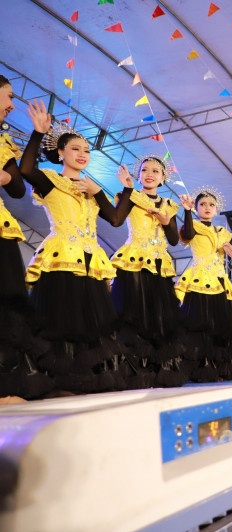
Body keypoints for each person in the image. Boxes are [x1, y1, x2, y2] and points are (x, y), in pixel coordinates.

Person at [21, 101, 133, 393]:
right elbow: (26, 168)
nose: (83, 154)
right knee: (61, 320)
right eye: (75, 149)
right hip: (61, 258)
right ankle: (58, 382)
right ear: (60, 152)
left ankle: (85, 380)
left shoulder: (91, 188)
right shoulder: (50, 180)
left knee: (90, 323)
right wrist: (37, 133)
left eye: (87, 150)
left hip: (91, 261)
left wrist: (118, 191)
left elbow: (116, 219)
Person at [110, 158, 186, 388]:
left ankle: (156, 369)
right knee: (133, 313)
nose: (149, 174)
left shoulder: (169, 204)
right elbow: (116, 220)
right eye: (144, 170)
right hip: (134, 260)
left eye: (155, 171)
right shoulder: (130, 195)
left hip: (160, 264)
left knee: (159, 316)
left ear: (163, 178)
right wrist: (127, 189)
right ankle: (132, 370)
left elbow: (173, 240)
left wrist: (166, 221)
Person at [0, 80, 51, 399]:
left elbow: (18, 188)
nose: (11, 105)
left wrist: (4, 175)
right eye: (8, 96)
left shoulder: (2, 142)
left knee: (7, 304)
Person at [176, 190, 232, 382]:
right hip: (199, 279)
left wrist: (228, 247)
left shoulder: (222, 232)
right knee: (199, 325)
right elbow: (187, 234)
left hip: (218, 280)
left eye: (211, 205)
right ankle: (201, 367)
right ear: (196, 208)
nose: (207, 207)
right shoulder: (193, 225)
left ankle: (218, 366)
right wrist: (186, 211)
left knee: (219, 326)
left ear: (216, 209)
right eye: (203, 204)